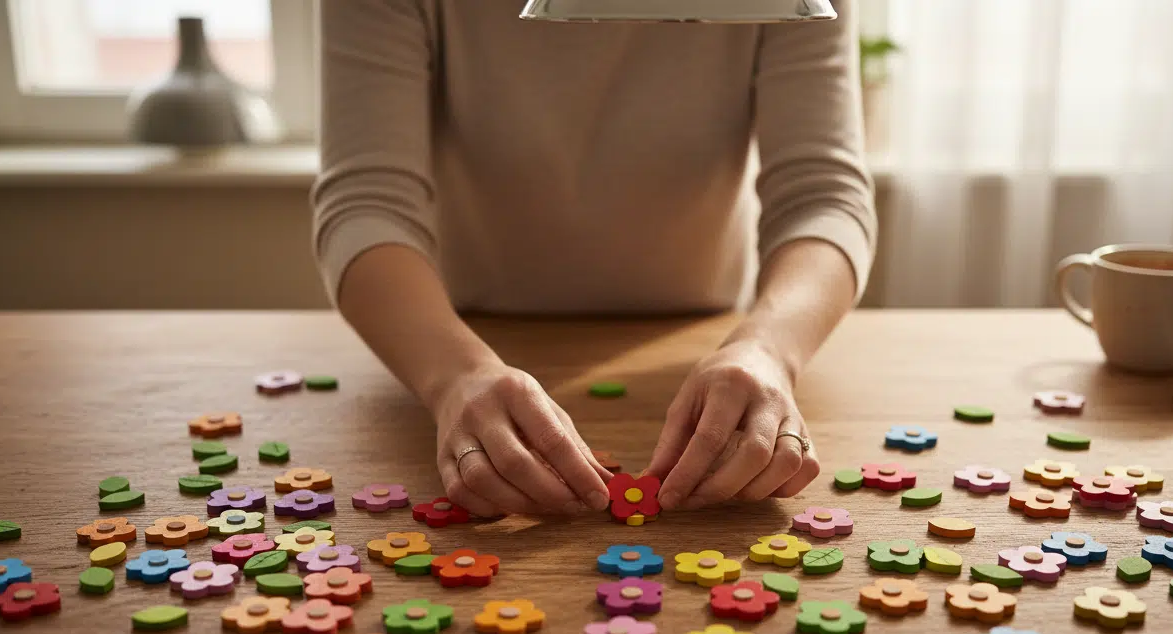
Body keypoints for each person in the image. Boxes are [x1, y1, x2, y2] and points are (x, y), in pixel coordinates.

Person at [313, 1, 876, 518]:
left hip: (702, 340)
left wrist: (770, 349)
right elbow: (368, 202)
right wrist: (453, 377)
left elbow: (822, 194)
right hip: (453, 341)